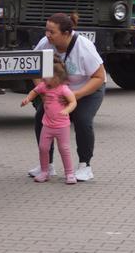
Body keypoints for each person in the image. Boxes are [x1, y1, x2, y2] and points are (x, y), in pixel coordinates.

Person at [28, 12, 106, 181]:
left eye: (52, 32)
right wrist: (42, 92)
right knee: (41, 118)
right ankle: (46, 166)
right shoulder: (45, 44)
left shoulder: (83, 47)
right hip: (56, 92)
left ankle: (85, 166)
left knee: (82, 120)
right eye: (46, 30)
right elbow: (35, 69)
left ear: (66, 33)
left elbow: (99, 77)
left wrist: (76, 95)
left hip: (86, 89)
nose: (47, 35)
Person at [22, 57, 78, 184]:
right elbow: (34, 91)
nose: (44, 78)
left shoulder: (64, 89)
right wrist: (28, 99)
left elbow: (73, 102)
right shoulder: (44, 86)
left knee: (64, 148)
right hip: (47, 125)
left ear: (57, 78)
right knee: (43, 148)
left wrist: (67, 110)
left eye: (47, 76)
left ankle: (69, 173)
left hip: (62, 126)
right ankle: (44, 172)